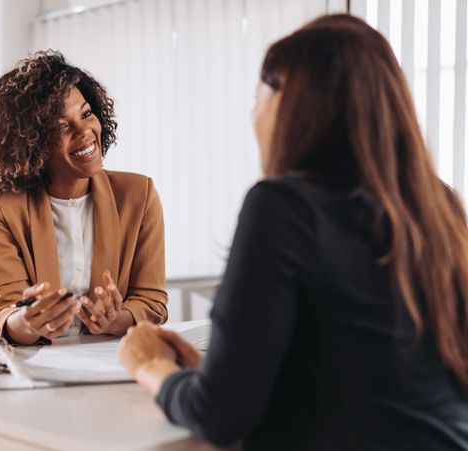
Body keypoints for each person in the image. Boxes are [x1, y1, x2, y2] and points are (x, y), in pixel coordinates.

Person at [118, 14, 468, 450]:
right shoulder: (439, 206)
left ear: (290, 103)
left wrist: (151, 367)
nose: (252, 114)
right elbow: (370, 380)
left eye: (256, 96)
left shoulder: (283, 206)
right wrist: (213, 373)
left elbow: (219, 417)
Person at [0, 50, 167, 345]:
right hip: (34, 368)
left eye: (86, 114)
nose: (85, 131)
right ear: (30, 142)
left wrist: (115, 319)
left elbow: (152, 302)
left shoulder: (138, 195)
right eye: (61, 126)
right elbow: (3, 314)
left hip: (110, 364)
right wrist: (30, 321)